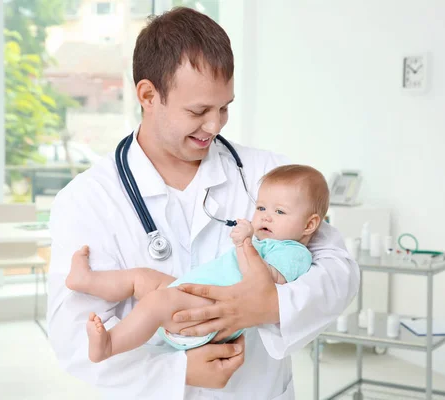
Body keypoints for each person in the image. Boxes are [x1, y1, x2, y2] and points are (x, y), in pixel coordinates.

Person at [47, 7, 359, 400]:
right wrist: (176, 372)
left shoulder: (269, 175)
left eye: (224, 107)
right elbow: (73, 334)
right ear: (148, 95)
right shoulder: (87, 199)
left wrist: (271, 305)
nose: (215, 126)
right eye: (198, 111)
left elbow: (340, 271)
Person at [65, 165, 329, 362]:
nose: (266, 217)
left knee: (157, 302)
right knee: (143, 278)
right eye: (261, 208)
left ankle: (110, 344)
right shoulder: (264, 242)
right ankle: (86, 280)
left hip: (212, 313)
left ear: (309, 224)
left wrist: (244, 244)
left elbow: (261, 284)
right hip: (196, 295)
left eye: (279, 212)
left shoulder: (295, 254)